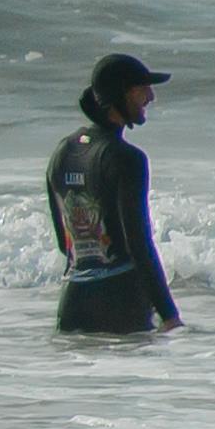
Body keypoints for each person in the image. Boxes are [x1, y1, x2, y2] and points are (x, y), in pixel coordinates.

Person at [45, 51, 182, 335]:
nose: (150, 97)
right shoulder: (126, 158)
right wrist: (169, 315)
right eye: (142, 88)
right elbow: (139, 245)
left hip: (72, 304)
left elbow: (65, 243)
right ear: (122, 94)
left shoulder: (62, 152)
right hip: (119, 304)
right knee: (125, 381)